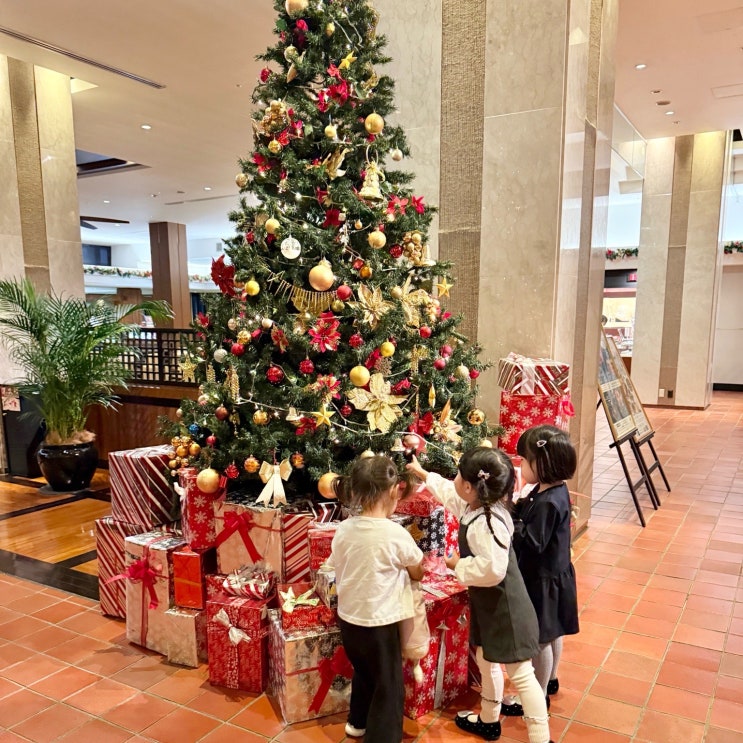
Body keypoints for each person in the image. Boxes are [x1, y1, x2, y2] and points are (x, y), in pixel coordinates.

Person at [407, 447, 553, 743]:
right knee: (486, 660)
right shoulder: (478, 506)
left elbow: (493, 570)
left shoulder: (487, 523)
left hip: (507, 610)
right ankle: (489, 719)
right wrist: (423, 474)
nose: (454, 480)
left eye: (458, 475)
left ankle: (541, 737)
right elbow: (450, 493)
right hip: (490, 605)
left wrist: (457, 564)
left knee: (522, 674)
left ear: (470, 486)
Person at [326, 456, 425, 743]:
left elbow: (334, 563)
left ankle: (357, 722)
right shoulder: (395, 533)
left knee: (364, 671)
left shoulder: (344, 528)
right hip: (380, 622)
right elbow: (417, 569)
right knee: (388, 685)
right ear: (394, 491)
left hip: (349, 619)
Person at [500, 425, 579, 716]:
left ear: (542, 464)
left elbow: (534, 541)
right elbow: (528, 510)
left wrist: (512, 524)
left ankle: (537, 695)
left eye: (524, 460)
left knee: (540, 639)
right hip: (554, 577)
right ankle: (551, 678)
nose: (520, 466)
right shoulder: (550, 490)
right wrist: (515, 506)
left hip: (542, 580)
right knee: (553, 632)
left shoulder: (548, 503)